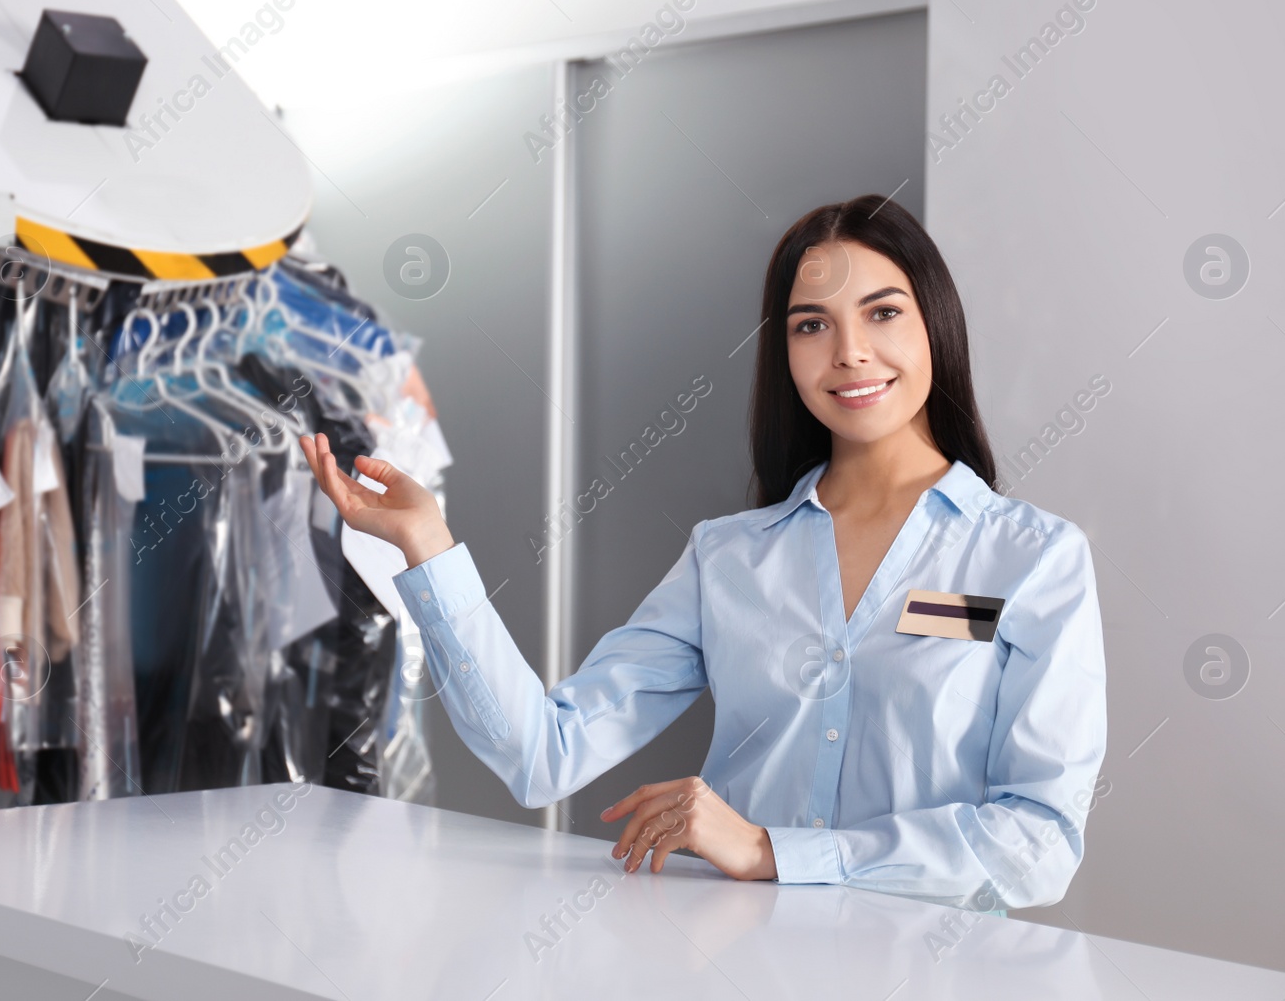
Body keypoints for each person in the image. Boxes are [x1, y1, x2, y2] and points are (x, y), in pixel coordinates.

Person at [300, 194, 1107, 913]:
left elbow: (1039, 842)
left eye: (883, 312)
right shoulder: (728, 559)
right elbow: (542, 755)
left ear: (936, 321)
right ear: (785, 353)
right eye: (812, 325)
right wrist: (428, 545)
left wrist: (772, 852)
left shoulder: (1033, 559)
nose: (850, 351)